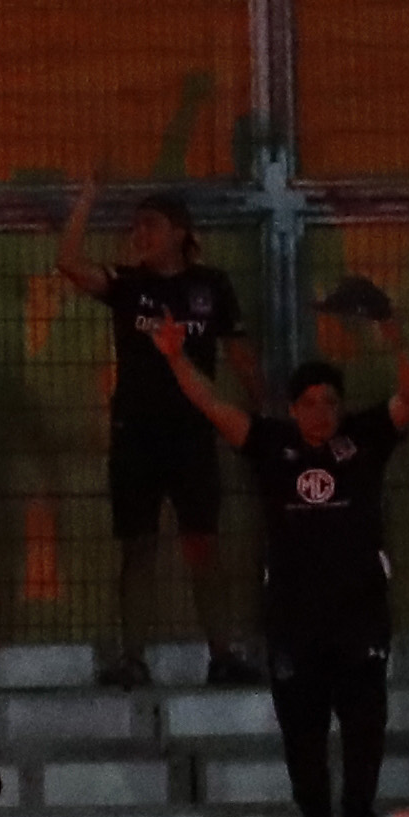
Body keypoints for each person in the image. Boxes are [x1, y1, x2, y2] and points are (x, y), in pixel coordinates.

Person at [150, 302, 409, 817]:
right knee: (303, 727)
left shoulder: (364, 439)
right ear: (293, 408)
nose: (321, 413)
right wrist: (176, 359)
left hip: (360, 610)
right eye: (310, 404)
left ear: (341, 407)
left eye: (330, 403)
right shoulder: (272, 444)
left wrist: (397, 343)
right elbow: (211, 403)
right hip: (294, 616)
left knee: (365, 723)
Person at [56, 173, 257, 690]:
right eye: (135, 225)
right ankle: (133, 657)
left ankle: (222, 653)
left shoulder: (212, 286)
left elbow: (240, 357)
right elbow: (69, 264)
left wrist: (263, 423)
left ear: (178, 232)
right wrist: (86, 198)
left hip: (192, 431)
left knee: (202, 543)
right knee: (138, 545)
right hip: (136, 433)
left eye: (150, 224)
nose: (139, 234)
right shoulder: (128, 285)